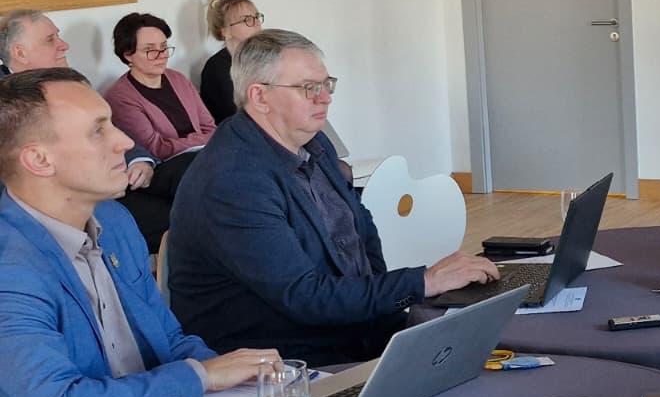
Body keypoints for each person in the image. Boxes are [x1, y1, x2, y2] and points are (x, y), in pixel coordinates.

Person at [0, 68, 281, 397]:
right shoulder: (10, 263)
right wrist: (201, 377)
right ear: (39, 159)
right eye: (99, 131)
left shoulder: (113, 221)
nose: (125, 141)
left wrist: (245, 378)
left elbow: (168, 342)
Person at [166, 29, 499, 366]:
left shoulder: (314, 144)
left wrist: (389, 307)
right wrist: (422, 283)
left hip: (351, 330)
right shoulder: (233, 181)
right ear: (260, 96)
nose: (324, 98)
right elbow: (304, 297)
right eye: (309, 87)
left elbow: (361, 233)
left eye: (327, 85)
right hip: (285, 362)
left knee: (492, 339)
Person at [0, 9, 169, 253]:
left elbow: (108, 127)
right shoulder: (8, 103)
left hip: (114, 182)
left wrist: (139, 159)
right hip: (67, 205)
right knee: (172, 217)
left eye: (58, 36)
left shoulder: (67, 83)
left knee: (185, 196)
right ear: (20, 52)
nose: (64, 45)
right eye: (50, 40)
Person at [103, 12, 217, 165]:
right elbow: (156, 149)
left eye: (163, 47)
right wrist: (203, 140)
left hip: (206, 155)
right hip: (172, 167)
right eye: (150, 50)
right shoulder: (120, 98)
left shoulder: (178, 79)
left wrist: (202, 141)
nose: (161, 55)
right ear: (128, 55)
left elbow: (209, 127)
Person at [199, 0, 263, 124]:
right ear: (225, 31)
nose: (256, 23)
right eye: (247, 19)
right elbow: (235, 114)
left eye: (256, 17)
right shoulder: (216, 68)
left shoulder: (264, 58)